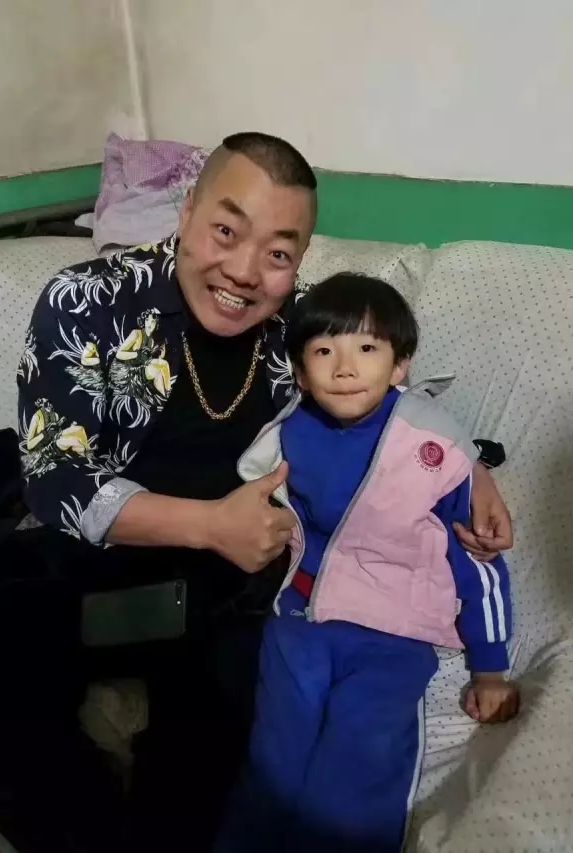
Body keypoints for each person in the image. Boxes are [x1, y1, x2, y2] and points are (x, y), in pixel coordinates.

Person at [13, 133, 513, 848]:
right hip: (96, 569)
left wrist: (476, 471)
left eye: (278, 254)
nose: (245, 272)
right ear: (188, 212)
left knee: (222, 761)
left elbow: (393, 399)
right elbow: (53, 477)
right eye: (226, 231)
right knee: (10, 671)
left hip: (231, 592)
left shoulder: (300, 327)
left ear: (298, 262)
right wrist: (209, 524)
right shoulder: (90, 300)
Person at [215, 273, 519, 853]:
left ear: (399, 365)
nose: (345, 368)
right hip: (302, 621)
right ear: (300, 372)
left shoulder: (431, 450)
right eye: (324, 351)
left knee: (358, 758)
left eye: (367, 348)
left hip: (394, 634)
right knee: (273, 760)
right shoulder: (289, 433)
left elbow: (478, 559)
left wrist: (490, 669)